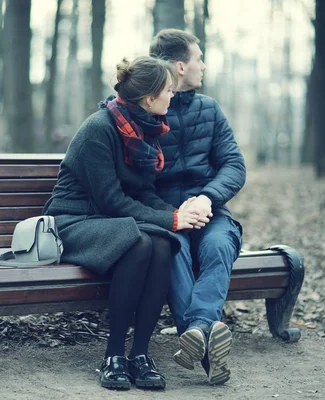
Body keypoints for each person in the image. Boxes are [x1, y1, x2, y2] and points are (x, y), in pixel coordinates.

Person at [43, 56, 206, 391]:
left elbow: (143, 194)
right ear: (149, 99)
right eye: (167, 91)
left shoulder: (144, 131)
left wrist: (180, 214)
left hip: (111, 222)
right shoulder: (98, 129)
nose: (172, 95)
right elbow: (111, 200)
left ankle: (141, 355)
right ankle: (114, 354)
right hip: (75, 220)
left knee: (162, 242)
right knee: (141, 241)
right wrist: (171, 218)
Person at [149, 29, 246, 385]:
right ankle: (208, 348)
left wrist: (207, 196)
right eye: (198, 58)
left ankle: (198, 329)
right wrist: (171, 214)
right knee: (174, 254)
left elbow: (234, 165)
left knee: (220, 244)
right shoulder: (147, 108)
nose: (203, 65)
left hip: (209, 211)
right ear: (180, 66)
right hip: (164, 216)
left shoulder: (209, 108)